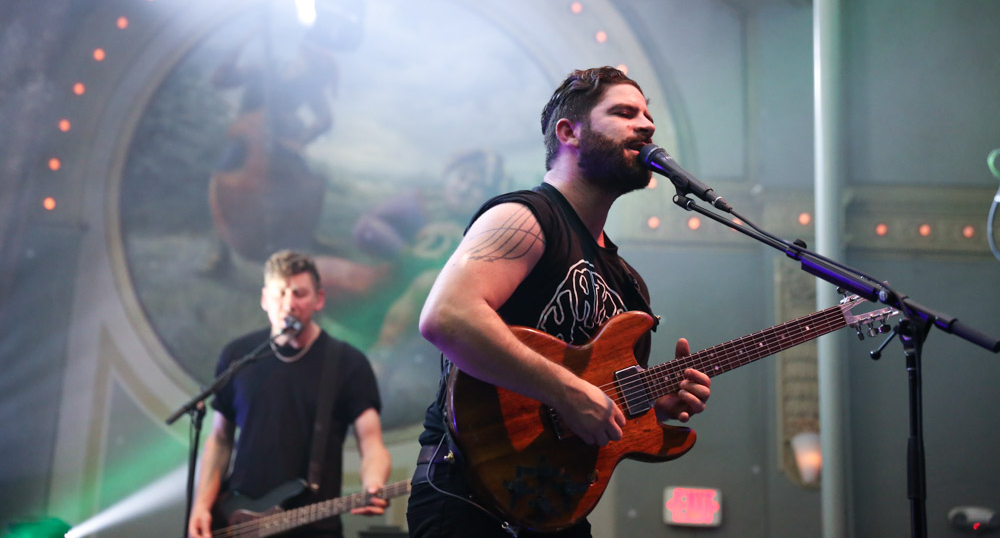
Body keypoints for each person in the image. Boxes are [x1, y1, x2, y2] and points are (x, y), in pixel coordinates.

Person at [405, 66, 713, 538]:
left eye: (648, 116)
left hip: (556, 508)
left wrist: (651, 401)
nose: (647, 125)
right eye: (625, 113)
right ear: (569, 132)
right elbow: (447, 316)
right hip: (468, 498)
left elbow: (595, 396)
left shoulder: (628, 285)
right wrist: (565, 392)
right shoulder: (526, 217)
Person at [188, 250, 392, 538]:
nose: (289, 304)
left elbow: (371, 442)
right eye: (280, 293)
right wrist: (201, 506)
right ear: (264, 299)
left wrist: (374, 484)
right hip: (238, 519)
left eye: (299, 293)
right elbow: (220, 439)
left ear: (318, 299)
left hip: (312, 525)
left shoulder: (347, 362)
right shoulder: (238, 356)